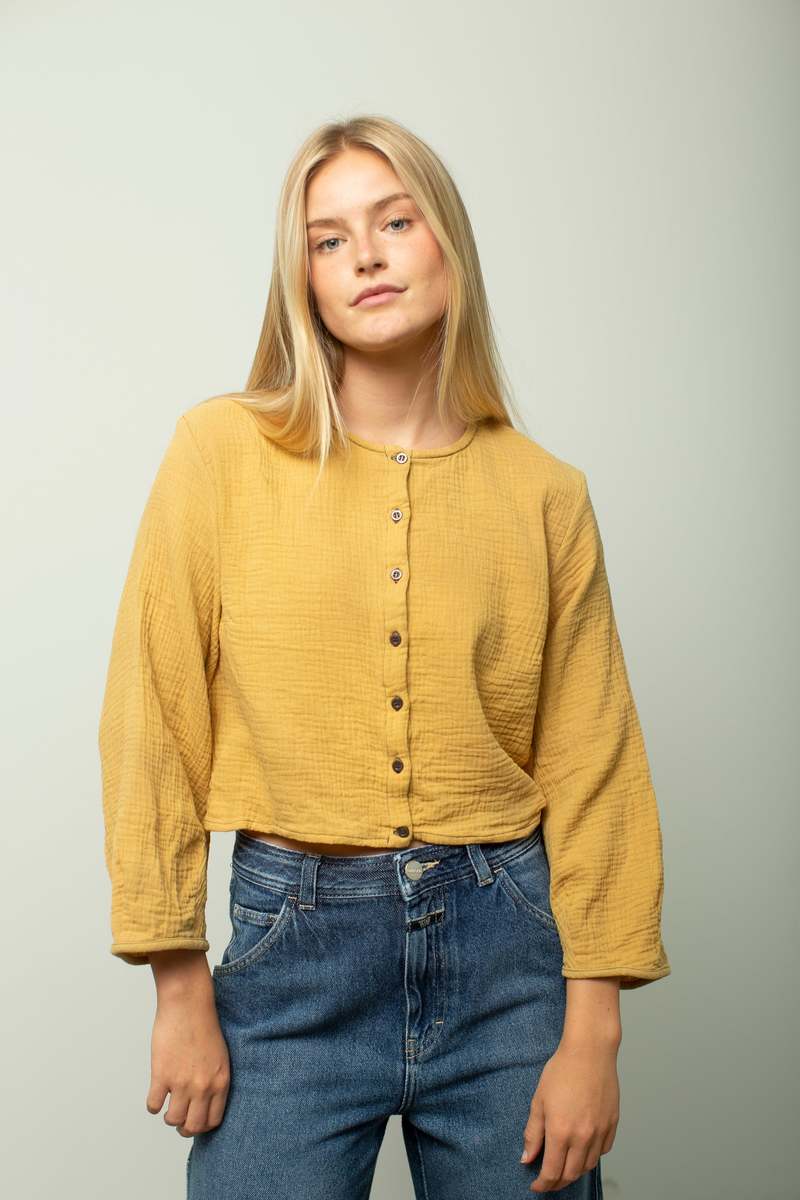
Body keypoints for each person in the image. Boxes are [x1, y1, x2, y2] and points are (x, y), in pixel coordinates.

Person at [98, 114, 671, 1199]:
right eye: (328, 239)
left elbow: (595, 765)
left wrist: (592, 1035)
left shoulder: (545, 495)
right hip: (291, 964)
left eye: (395, 222)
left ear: (447, 240)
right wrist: (178, 983)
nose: (364, 255)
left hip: (509, 964)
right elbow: (153, 717)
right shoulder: (220, 454)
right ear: (305, 281)